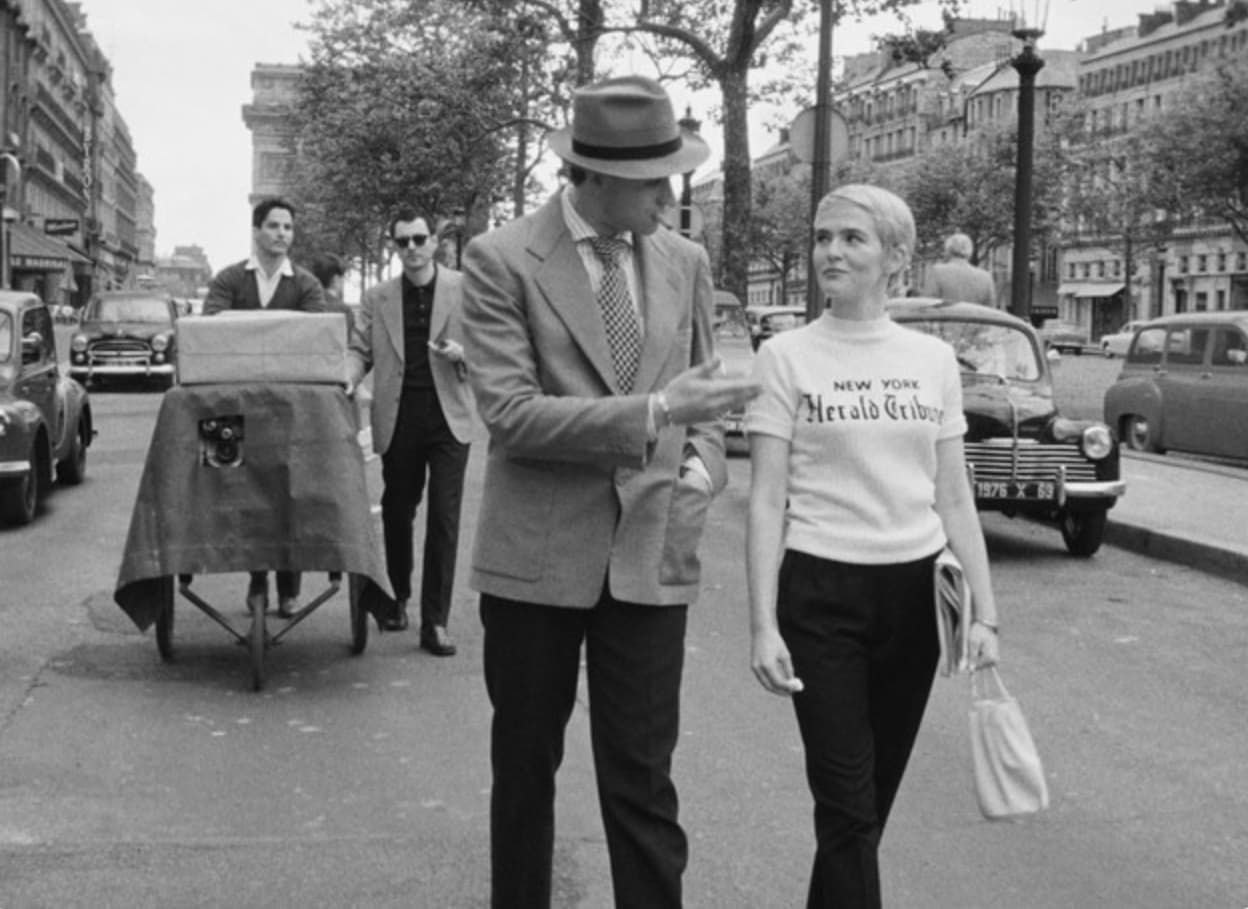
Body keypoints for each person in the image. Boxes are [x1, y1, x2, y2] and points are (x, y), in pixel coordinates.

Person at [459, 74, 760, 908]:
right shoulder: (500, 259)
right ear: (593, 176)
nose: (670, 198)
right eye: (654, 181)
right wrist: (657, 412)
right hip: (536, 562)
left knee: (644, 780)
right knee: (525, 771)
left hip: (651, 552)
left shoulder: (685, 261)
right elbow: (511, 415)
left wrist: (701, 470)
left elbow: (705, 394)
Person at [744, 184, 1001, 908]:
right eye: (822, 237)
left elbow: (954, 495)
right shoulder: (785, 357)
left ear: (896, 256)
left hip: (914, 599)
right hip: (820, 597)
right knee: (847, 808)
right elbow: (765, 499)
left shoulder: (933, 360)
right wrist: (762, 624)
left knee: (865, 814)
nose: (830, 251)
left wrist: (986, 612)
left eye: (852, 238)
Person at [346, 208, 475, 656]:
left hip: (449, 417)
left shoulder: (464, 288)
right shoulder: (377, 297)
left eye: (420, 239)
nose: (413, 248)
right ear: (394, 247)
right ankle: (398, 598)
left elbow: (494, 344)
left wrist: (463, 353)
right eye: (403, 242)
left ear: (435, 241)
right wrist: (348, 379)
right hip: (399, 417)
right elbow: (359, 350)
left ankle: (435, 621)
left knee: (444, 518)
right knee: (398, 510)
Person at [202, 196, 327, 619]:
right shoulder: (228, 279)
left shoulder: (307, 285)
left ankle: (289, 587)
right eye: (273, 226)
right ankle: (256, 579)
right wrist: (279, 334)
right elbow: (209, 337)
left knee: (290, 494)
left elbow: (315, 341)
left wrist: (245, 332)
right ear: (257, 231)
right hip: (231, 407)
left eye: (287, 227)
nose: (281, 234)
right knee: (237, 492)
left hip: (289, 410)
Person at [922, 231, 997, 307]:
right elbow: (991, 309)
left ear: (948, 251)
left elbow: (928, 304)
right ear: (970, 252)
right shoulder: (986, 278)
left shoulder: (937, 272)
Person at [310, 251, 354, 325]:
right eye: (342, 277)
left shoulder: (306, 304)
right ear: (336, 279)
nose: (343, 281)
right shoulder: (343, 310)